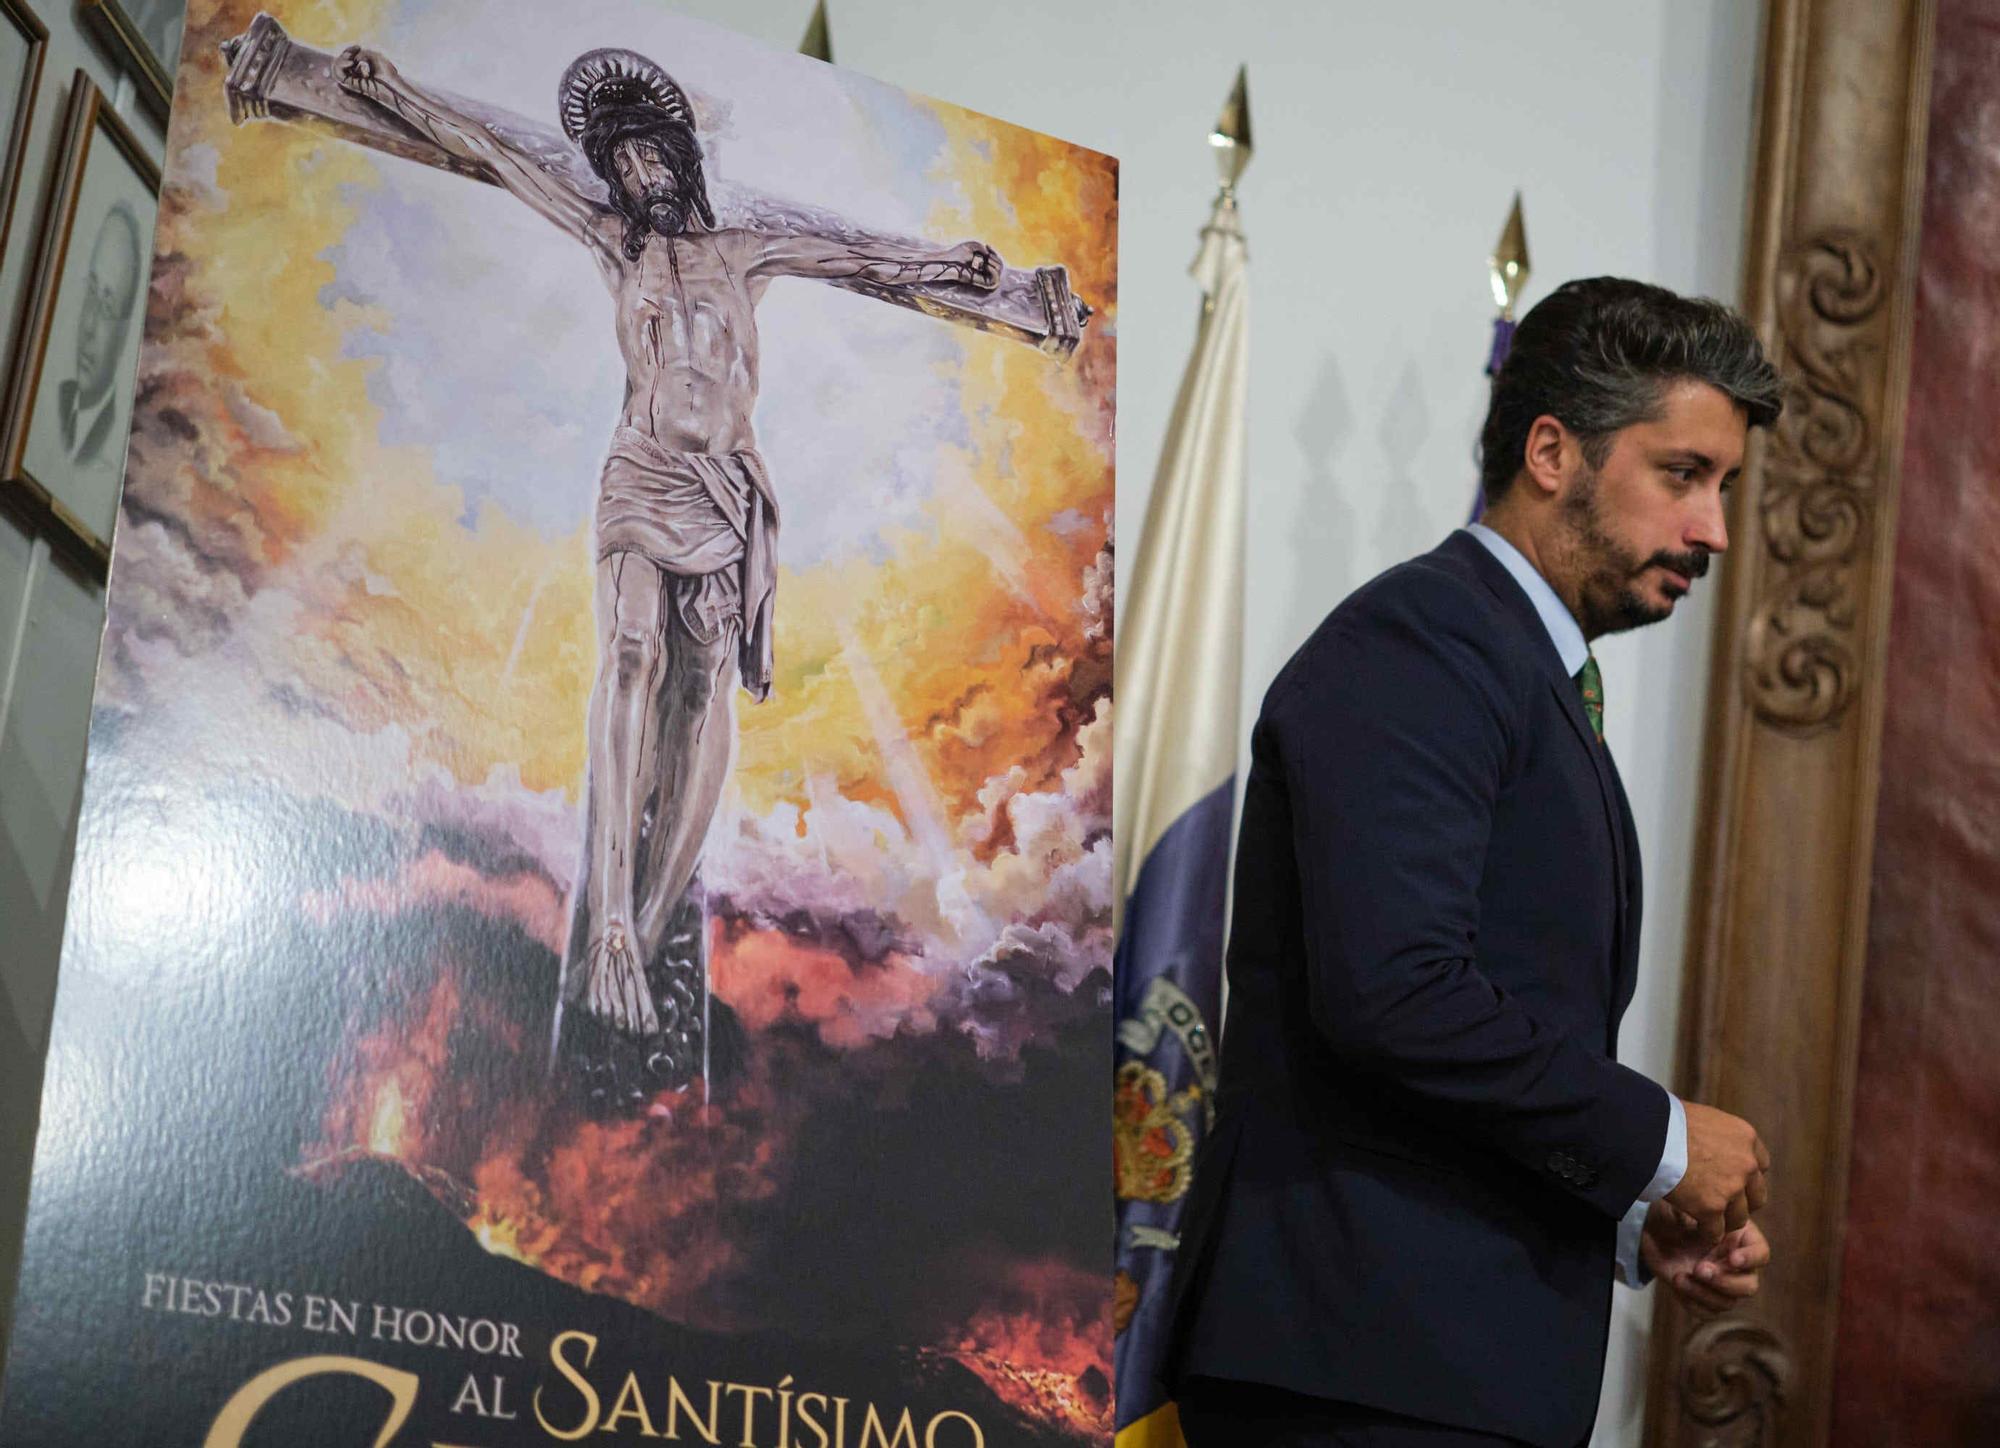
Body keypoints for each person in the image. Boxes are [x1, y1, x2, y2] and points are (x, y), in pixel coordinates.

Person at [1166, 278, 1782, 1447]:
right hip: (1355, 1373)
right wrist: (1656, 1139)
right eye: (1681, 474)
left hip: (1431, 1369)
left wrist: (1620, 1209)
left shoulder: (1514, 668)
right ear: (1551, 450)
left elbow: (1474, 1042)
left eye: (1725, 488)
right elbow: (1394, 991)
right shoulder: (1421, 643)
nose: (1710, 529)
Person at [330, 46, 1002, 1074]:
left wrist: (946, 265)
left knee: (698, 694)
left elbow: (862, 260)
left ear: (680, 160)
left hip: (722, 489)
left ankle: (636, 927)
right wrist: (395, 94)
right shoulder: (615, 246)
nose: (635, 178)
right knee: (631, 655)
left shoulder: (745, 251)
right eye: (621, 165)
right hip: (641, 474)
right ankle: (602, 919)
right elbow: (498, 158)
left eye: (649, 160)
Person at [56, 201, 143, 474]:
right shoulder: (58, 401)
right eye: (91, 292)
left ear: (125, 334)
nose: (89, 325)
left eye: (107, 307)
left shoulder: (115, 448)